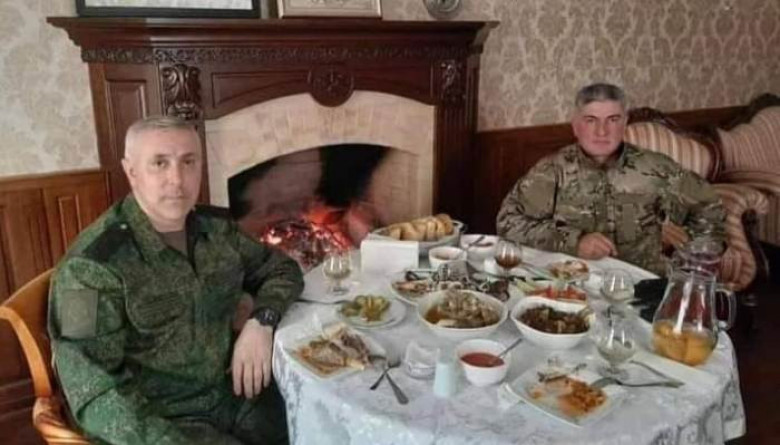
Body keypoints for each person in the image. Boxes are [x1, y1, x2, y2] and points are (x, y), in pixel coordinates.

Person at [48, 115, 304, 444]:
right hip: (162, 420)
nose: (177, 180)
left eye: (188, 162)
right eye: (160, 163)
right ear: (131, 171)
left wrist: (262, 321)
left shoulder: (217, 230)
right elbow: (92, 389)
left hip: (234, 395)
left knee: (323, 423)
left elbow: (282, 270)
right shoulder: (89, 267)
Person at [496, 83, 725, 276]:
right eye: (591, 120)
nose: (602, 131)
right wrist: (574, 242)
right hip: (571, 284)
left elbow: (711, 209)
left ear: (624, 123)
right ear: (576, 126)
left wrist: (690, 252)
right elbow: (508, 221)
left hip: (642, 284)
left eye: (612, 119)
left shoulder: (658, 169)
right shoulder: (551, 171)